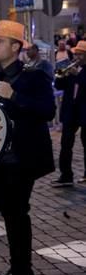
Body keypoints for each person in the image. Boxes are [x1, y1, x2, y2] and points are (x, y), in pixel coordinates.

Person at [0, 20, 55, 275]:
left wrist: (16, 96)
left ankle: (22, 274)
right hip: (2, 159)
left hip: (24, 158)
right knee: (10, 215)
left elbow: (47, 110)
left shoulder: (33, 77)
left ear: (15, 47)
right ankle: (20, 269)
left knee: (18, 215)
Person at [52, 40, 86, 186]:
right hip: (70, 112)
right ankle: (66, 175)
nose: (77, 57)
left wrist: (77, 74)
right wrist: (62, 75)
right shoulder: (71, 69)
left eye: (80, 54)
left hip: (84, 111)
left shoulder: (80, 71)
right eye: (76, 54)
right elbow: (59, 85)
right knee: (66, 144)